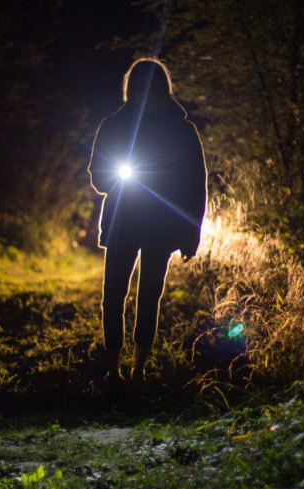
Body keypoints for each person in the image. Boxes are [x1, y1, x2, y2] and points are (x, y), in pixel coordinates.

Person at [88, 57, 207, 381]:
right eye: (139, 84)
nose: (143, 91)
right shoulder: (114, 126)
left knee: (148, 297)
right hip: (127, 222)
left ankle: (137, 370)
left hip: (160, 227)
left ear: (159, 88)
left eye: (148, 85)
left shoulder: (182, 131)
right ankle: (114, 370)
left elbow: (196, 185)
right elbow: (99, 177)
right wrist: (117, 178)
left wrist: (191, 233)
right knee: (113, 296)